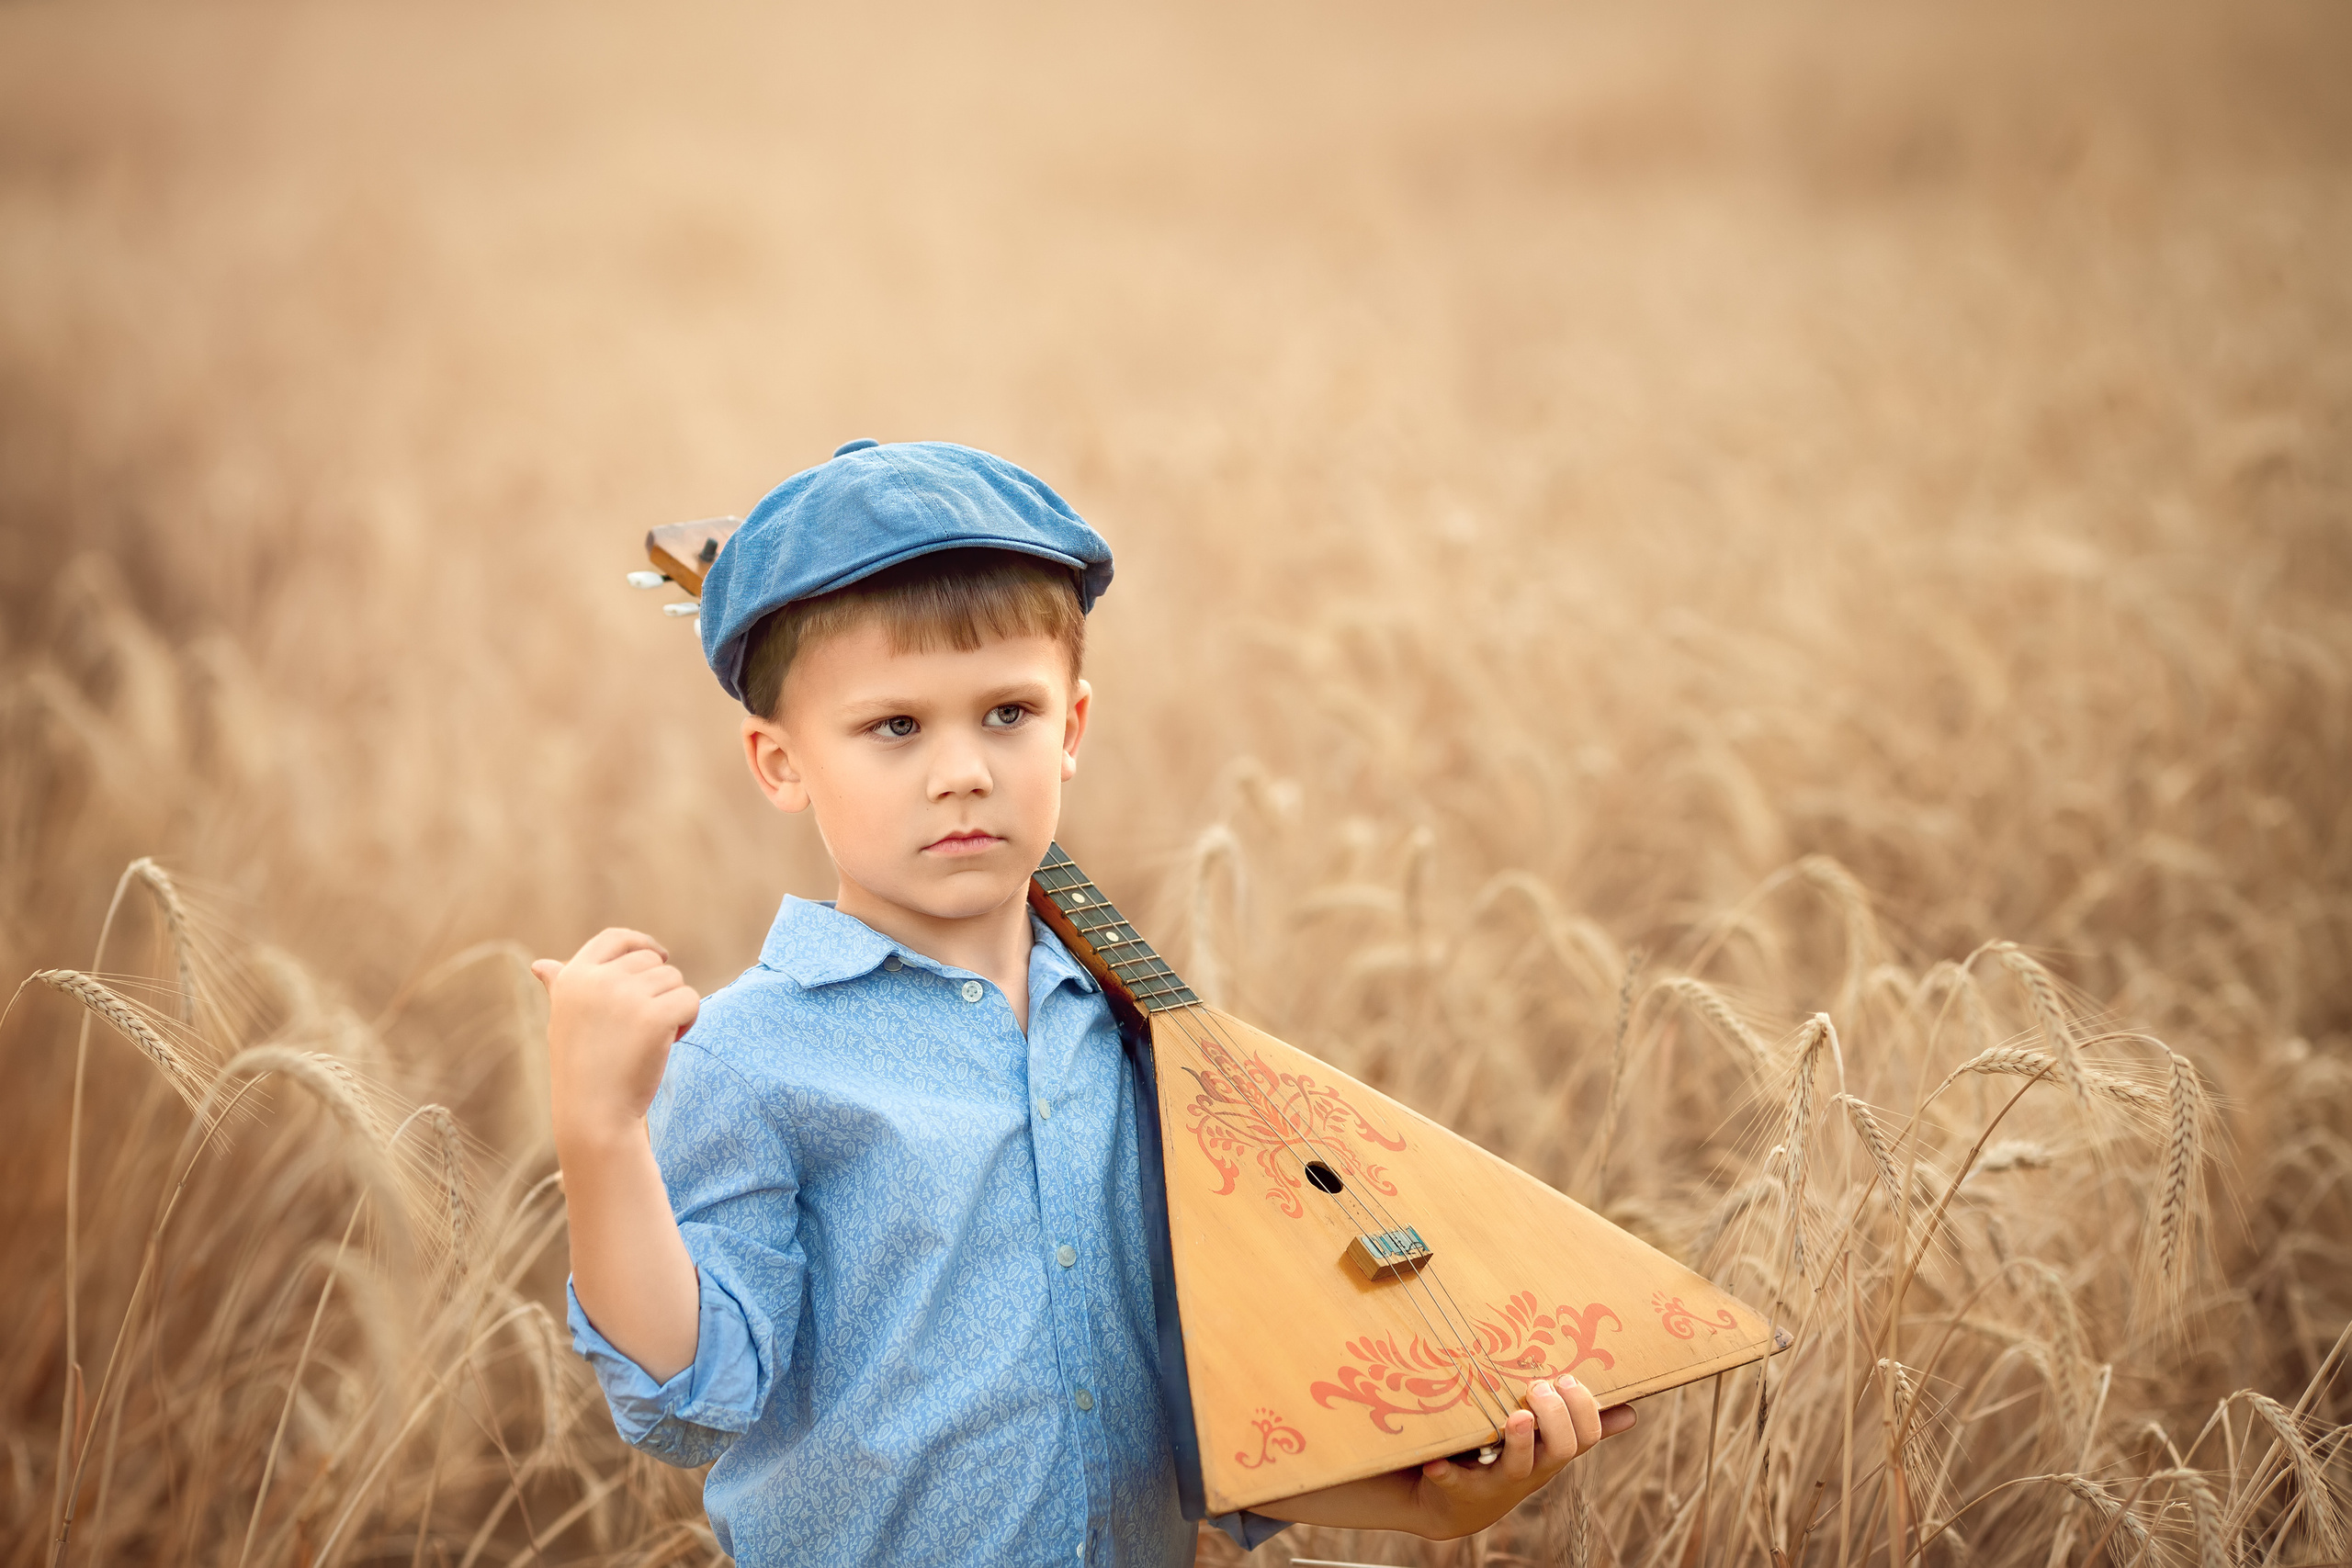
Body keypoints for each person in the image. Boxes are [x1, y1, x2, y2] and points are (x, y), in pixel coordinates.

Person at [534, 440, 1634, 1566]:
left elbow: (1200, 1400)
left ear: (1072, 728)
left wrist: (1433, 1502)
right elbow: (688, 1406)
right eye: (895, 726)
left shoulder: (1126, 1034)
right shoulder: (750, 1058)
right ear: (779, 763)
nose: (961, 769)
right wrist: (601, 1133)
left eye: (1007, 712)